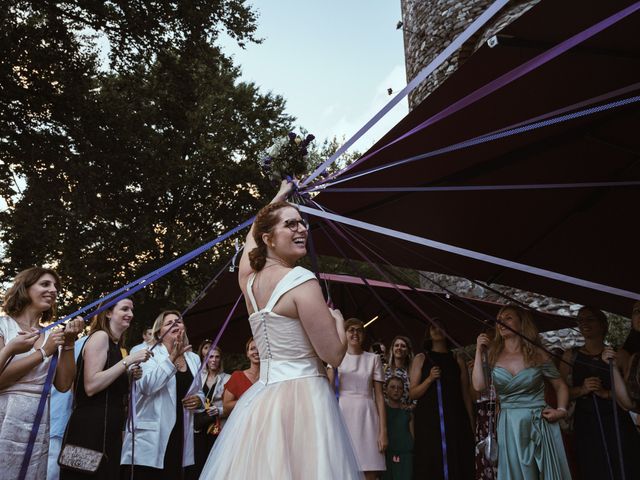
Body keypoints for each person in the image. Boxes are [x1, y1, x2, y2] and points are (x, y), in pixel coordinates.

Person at [200, 179, 362, 479]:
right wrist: (338, 322)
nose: (301, 229)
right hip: (307, 400)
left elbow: (251, 237)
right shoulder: (301, 281)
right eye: (291, 224)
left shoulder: (248, 281)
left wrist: (278, 197)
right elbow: (335, 356)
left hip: (264, 401)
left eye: (302, 223)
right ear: (270, 238)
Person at [0, 267, 83, 479]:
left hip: (37, 421)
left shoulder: (50, 334)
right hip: (5, 415)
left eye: (55, 287)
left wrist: (69, 344)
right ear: (25, 289)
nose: (53, 290)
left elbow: (63, 385)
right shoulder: (3, 326)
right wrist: (43, 353)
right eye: (45, 284)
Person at [474, 305, 571, 480]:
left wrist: (562, 411)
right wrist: (478, 352)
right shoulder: (492, 355)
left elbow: (560, 386)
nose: (501, 323)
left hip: (539, 421)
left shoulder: (537, 354)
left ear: (522, 322)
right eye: (499, 319)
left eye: (508, 318)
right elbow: (479, 386)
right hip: (509, 424)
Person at [60, 298, 150, 480]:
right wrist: (128, 361)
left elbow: (109, 384)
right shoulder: (100, 337)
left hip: (109, 431)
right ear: (108, 313)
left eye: (132, 310)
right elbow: (91, 386)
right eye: (124, 309)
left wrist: (128, 376)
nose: (130, 315)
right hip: (90, 430)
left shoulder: (116, 345)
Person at [559, 306, 640, 480]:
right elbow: (560, 393)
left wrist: (606, 393)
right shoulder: (569, 356)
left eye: (590, 319)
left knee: (624, 467)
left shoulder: (620, 355)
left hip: (616, 421)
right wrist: (582, 390)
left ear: (603, 324)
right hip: (585, 424)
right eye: (580, 320)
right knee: (592, 468)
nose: (584, 324)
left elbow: (631, 396)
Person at [121, 310, 203, 479]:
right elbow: (147, 386)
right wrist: (172, 357)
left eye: (178, 321)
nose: (175, 324)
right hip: (151, 435)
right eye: (169, 323)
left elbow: (198, 390)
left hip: (181, 432)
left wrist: (199, 401)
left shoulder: (193, 358)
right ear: (159, 332)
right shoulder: (145, 351)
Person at [410, 324, 474, 480]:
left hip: (455, 419)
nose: (437, 330)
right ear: (428, 334)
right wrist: (430, 379)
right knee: (430, 461)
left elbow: (465, 393)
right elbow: (412, 393)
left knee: (457, 459)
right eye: (433, 328)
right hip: (428, 421)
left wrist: (472, 424)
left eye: (441, 327)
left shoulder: (457, 359)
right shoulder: (421, 358)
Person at [329, 318, 387, 479]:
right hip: (344, 413)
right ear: (345, 333)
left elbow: (380, 397)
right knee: (343, 467)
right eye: (351, 330)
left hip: (367, 414)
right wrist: (333, 366)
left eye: (359, 330)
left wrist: (383, 431)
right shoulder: (336, 359)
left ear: (363, 334)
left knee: (370, 469)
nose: (355, 333)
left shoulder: (373, 359)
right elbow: (328, 390)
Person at [47, 335, 88, 480]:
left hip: (66, 422)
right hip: (59, 419)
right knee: (51, 471)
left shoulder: (81, 343)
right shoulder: (85, 344)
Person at [193, 345, 230, 476]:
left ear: (221, 360)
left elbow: (231, 405)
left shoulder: (227, 378)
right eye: (211, 357)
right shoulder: (197, 377)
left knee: (214, 461)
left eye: (217, 357)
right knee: (198, 462)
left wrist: (219, 409)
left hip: (217, 426)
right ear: (206, 359)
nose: (213, 360)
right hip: (198, 426)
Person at [383, 376, 413, 480]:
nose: (396, 390)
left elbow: (413, 435)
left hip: (405, 456)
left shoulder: (408, 412)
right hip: (386, 455)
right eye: (392, 387)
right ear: (385, 389)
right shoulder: (382, 411)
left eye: (400, 388)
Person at [222, 337, 259, 416]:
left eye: (260, 348)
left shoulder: (270, 377)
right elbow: (226, 408)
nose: (256, 351)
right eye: (252, 349)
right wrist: (249, 400)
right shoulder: (237, 376)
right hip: (244, 422)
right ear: (247, 354)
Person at [384, 335, 414, 407]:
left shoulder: (412, 372)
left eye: (403, 346)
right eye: (396, 345)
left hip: (403, 413)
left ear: (408, 351)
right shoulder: (383, 369)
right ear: (392, 349)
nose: (399, 348)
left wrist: (410, 407)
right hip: (384, 412)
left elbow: (415, 398)